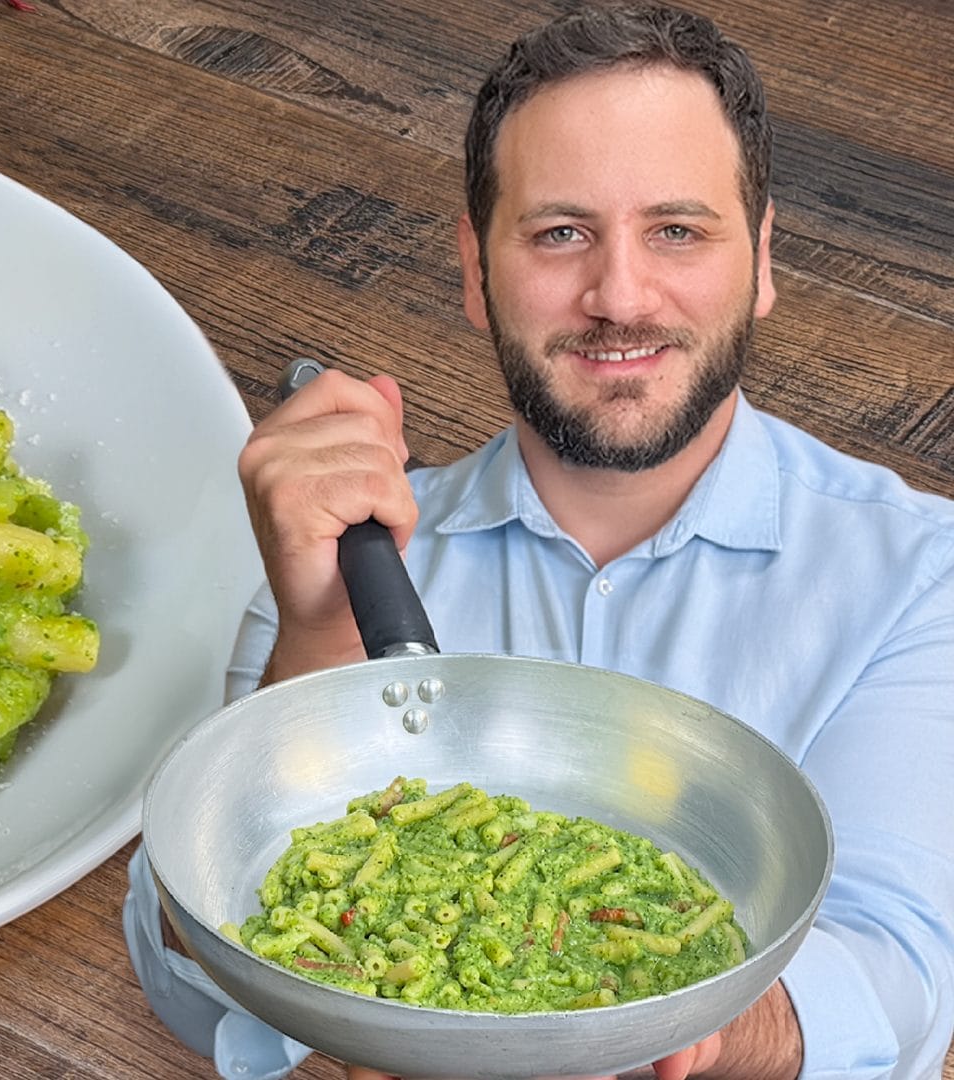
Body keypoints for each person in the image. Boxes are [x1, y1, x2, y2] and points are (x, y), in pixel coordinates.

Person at [121, 5, 954, 1078]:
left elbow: (901, 984)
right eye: (562, 233)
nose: (619, 296)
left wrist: (667, 1025)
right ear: (477, 272)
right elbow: (185, 968)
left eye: (678, 231)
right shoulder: (351, 557)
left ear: (763, 257)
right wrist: (318, 630)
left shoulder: (920, 571)